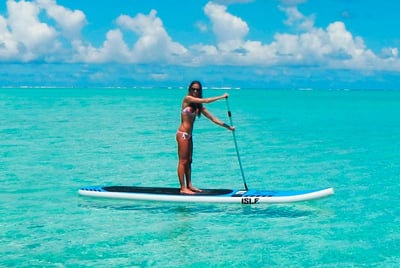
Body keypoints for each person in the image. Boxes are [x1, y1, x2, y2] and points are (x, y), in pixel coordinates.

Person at [176, 81, 234, 194]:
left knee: (189, 161)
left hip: (189, 135)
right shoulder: (187, 99)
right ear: (190, 89)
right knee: (183, 161)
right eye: (193, 89)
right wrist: (222, 96)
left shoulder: (199, 107)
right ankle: (183, 188)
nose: (195, 91)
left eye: (197, 90)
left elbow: (213, 118)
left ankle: (189, 185)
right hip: (182, 134)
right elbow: (206, 100)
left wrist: (228, 127)